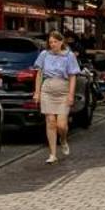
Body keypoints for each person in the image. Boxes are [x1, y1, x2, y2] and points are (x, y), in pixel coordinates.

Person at [34, 31, 81, 164]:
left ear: (61, 42)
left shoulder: (69, 56)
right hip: (48, 89)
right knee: (50, 122)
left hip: (63, 90)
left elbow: (73, 76)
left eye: (55, 42)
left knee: (61, 125)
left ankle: (63, 139)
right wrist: (37, 92)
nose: (53, 44)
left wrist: (71, 95)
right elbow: (39, 74)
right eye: (51, 42)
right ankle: (52, 154)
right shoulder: (44, 55)